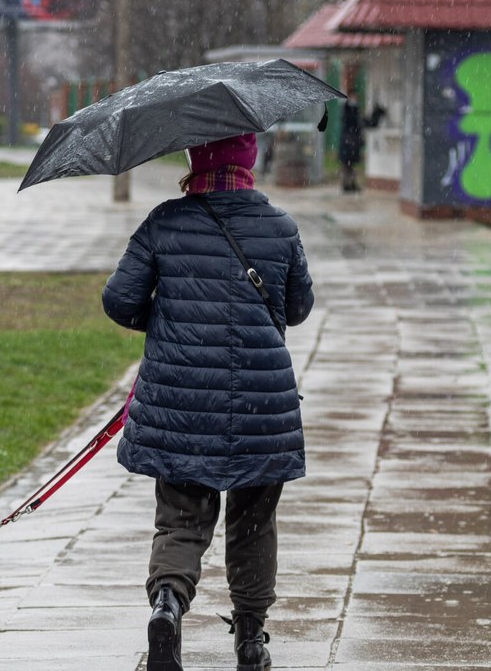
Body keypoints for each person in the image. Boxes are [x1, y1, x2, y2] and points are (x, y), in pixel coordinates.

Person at [101, 133, 314, 671]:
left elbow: (119, 299)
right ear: (249, 162)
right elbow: (298, 306)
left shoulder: (164, 222)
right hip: (262, 407)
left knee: (180, 518)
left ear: (196, 160)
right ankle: (249, 639)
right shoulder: (280, 226)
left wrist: (168, 322)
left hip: (180, 404)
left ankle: (167, 606)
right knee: (253, 522)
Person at [339, 96, 386, 193]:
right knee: (347, 166)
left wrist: (377, 113)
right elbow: (355, 121)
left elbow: (369, 123)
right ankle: (347, 185)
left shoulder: (355, 114)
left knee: (349, 166)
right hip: (348, 145)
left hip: (352, 145)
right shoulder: (348, 113)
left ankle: (350, 184)